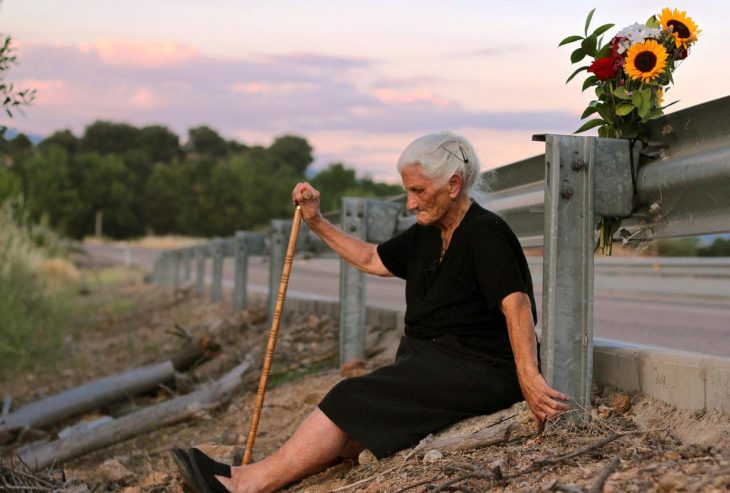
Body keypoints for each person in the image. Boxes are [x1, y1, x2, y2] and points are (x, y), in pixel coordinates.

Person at [176, 131, 569, 493]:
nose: (411, 202)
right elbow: (370, 258)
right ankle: (247, 473)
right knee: (352, 435)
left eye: (418, 191)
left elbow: (515, 306)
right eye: (407, 192)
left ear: (453, 185)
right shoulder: (427, 232)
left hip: (477, 369)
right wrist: (316, 221)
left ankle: (246, 485)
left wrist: (529, 378)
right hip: (433, 364)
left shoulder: (486, 233)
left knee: (351, 395)